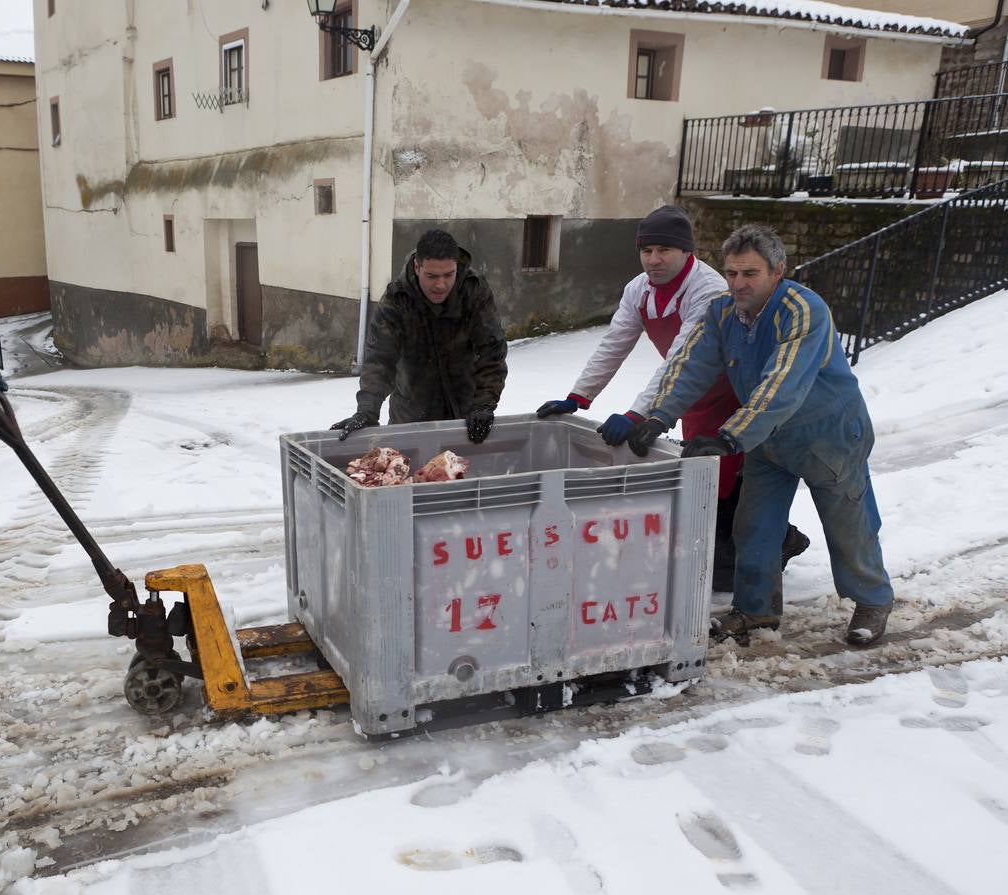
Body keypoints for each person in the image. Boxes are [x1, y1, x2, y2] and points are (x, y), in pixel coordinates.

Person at [625, 224, 895, 646]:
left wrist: (730, 437)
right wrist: (659, 416)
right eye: (731, 273)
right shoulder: (721, 312)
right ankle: (755, 611)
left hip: (827, 436)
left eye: (750, 273)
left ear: (777, 270)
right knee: (754, 526)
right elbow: (690, 364)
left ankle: (872, 599)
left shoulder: (803, 311)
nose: (738, 283)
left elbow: (781, 382)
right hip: (765, 440)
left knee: (848, 524)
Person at [535, 205, 808, 591]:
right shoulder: (639, 290)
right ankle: (754, 541)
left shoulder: (708, 289)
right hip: (690, 399)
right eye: (647, 251)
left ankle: (781, 540)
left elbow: (683, 357)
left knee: (730, 494)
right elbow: (615, 344)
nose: (654, 259)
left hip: (732, 397)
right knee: (706, 489)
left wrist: (637, 414)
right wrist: (579, 397)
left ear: (686, 251)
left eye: (664, 249)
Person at [330, 229, 507, 443]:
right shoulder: (397, 300)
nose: (441, 285)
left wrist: (483, 405)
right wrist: (367, 411)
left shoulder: (473, 291)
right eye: (432, 276)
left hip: (465, 419)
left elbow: (492, 352)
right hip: (410, 418)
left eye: (448, 275)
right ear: (417, 267)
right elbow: (379, 361)